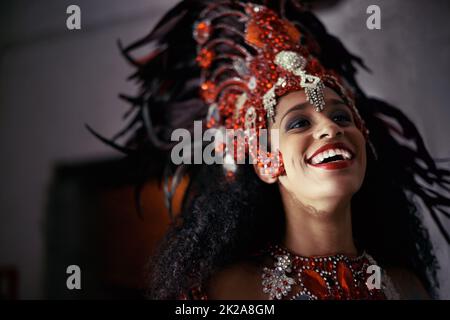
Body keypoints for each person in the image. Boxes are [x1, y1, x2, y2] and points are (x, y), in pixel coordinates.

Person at [90, 0, 450, 300]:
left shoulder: (408, 288)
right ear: (264, 162)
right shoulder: (225, 293)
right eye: (298, 123)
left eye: (342, 116)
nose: (330, 128)